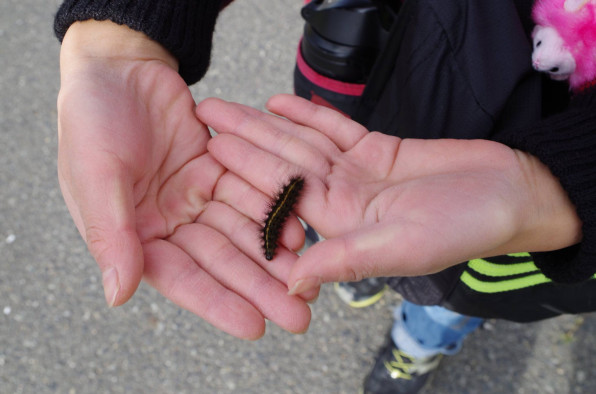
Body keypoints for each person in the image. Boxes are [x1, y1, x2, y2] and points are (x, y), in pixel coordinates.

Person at [53, 0, 596, 393]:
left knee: (448, 295)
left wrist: (558, 184)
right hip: (373, 72)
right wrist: (122, 36)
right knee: (339, 219)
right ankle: (360, 278)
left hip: (523, 222)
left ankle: (415, 345)